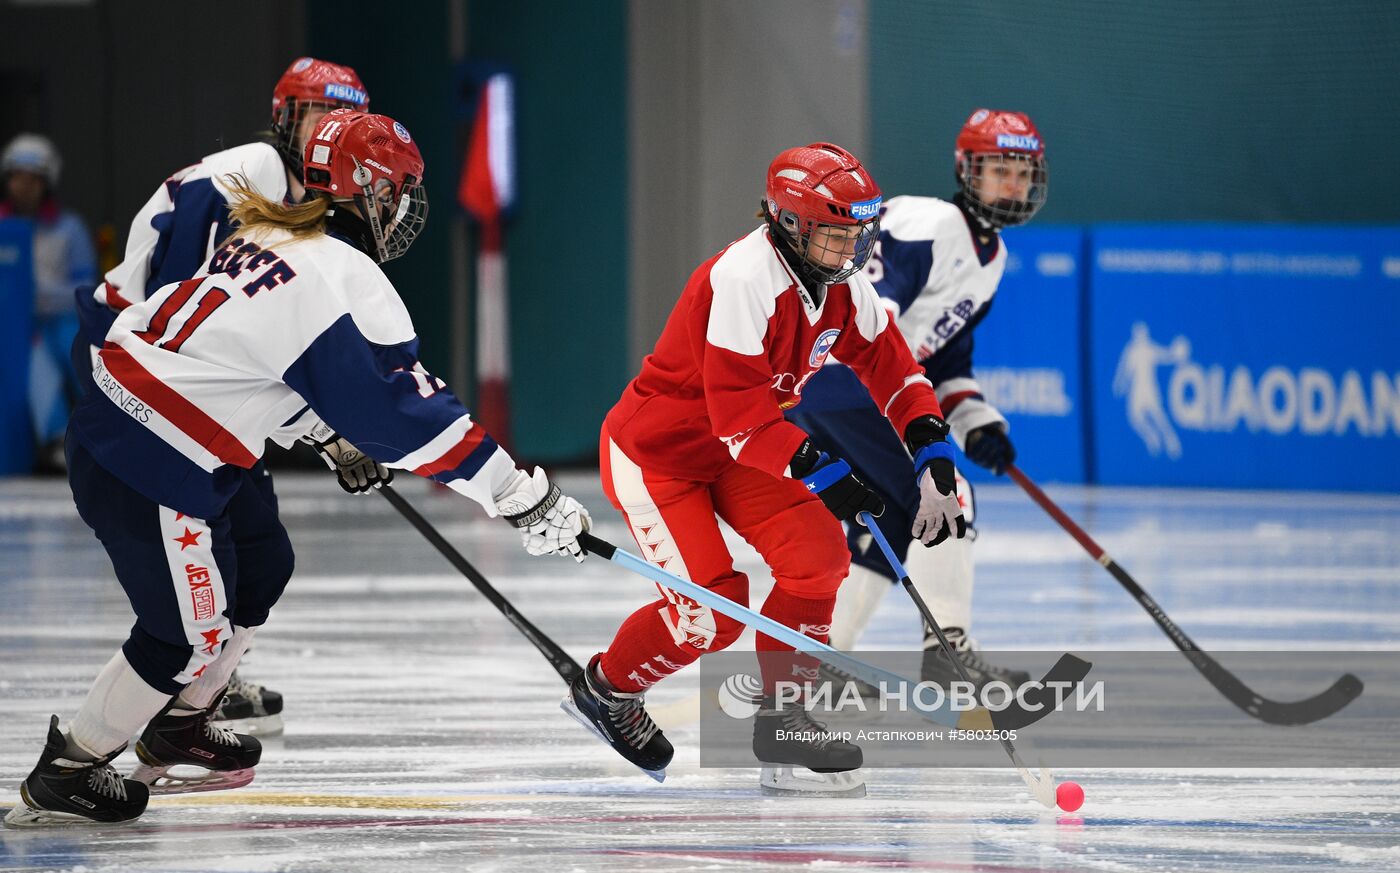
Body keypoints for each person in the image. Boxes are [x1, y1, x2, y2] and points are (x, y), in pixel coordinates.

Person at [4, 109, 592, 828]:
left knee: (262, 560)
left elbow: (257, 371)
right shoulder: (331, 274)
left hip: (136, 424)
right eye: (399, 189)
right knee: (184, 633)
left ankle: (183, 721)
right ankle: (71, 766)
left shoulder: (270, 232)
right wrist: (520, 495)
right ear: (368, 191)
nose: (406, 206)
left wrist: (329, 436)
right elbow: (401, 413)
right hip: (152, 457)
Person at [562, 142, 967, 796]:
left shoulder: (842, 284)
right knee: (713, 617)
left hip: (735, 452)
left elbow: (894, 369)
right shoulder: (744, 280)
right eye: (840, 233)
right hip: (660, 456)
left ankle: (784, 722)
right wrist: (829, 474)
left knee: (819, 557)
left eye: (861, 231)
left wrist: (932, 449)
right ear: (791, 224)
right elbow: (741, 422)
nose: (857, 249)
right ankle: (605, 687)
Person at [74, 57, 377, 736]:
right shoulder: (239, 184)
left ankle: (203, 680)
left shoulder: (304, 200)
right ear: (284, 117)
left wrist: (323, 426)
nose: (329, 130)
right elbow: (202, 335)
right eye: (316, 113)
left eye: (345, 118)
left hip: (184, 380)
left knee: (262, 551)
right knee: (217, 549)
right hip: (138, 374)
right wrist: (324, 431)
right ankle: (171, 689)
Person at [788, 109, 1049, 689]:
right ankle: (948, 652)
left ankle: (825, 657)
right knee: (944, 493)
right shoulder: (926, 223)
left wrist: (977, 420)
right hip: (846, 382)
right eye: (997, 169)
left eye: (1022, 172)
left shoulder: (993, 259)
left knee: (895, 521)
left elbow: (947, 360)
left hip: (855, 392)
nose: (1011, 184)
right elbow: (861, 308)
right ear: (967, 171)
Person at [0, 133, 97, 471]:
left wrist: (39, 291)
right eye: (16, 177)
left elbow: (86, 286)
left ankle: (103, 432)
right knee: (34, 357)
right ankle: (58, 437)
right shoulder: (2, 226)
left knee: (78, 350)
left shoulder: (69, 228)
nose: (23, 186)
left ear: (47, 182)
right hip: (13, 325)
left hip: (62, 319)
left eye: (32, 179)